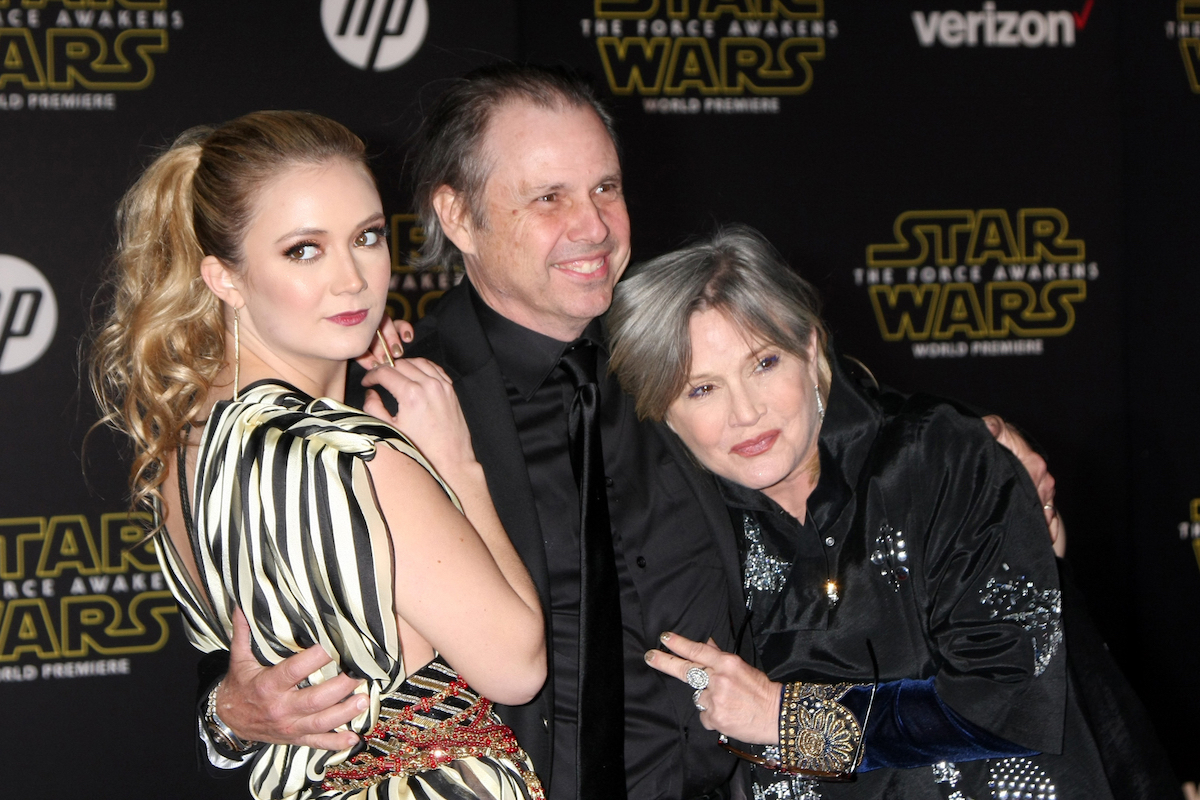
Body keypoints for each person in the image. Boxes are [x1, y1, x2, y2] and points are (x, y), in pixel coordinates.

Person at [205, 66, 1061, 800]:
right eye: (548, 198)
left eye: (605, 188)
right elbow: (247, 631)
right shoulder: (389, 403)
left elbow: (856, 431)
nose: (593, 227)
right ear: (458, 218)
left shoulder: (686, 350)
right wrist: (228, 716)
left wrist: (983, 453)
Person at [605, 225, 1179, 799]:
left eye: (764, 363)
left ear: (810, 348)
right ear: (661, 412)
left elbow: (1005, 699)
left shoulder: (940, 459)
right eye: (702, 390)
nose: (746, 412)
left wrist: (789, 720)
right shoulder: (676, 537)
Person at [89, 110, 546, 800]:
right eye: (304, 250)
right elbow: (517, 665)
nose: (353, 280)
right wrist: (455, 464)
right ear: (225, 278)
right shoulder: (355, 455)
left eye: (366, 237)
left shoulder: (183, 452)